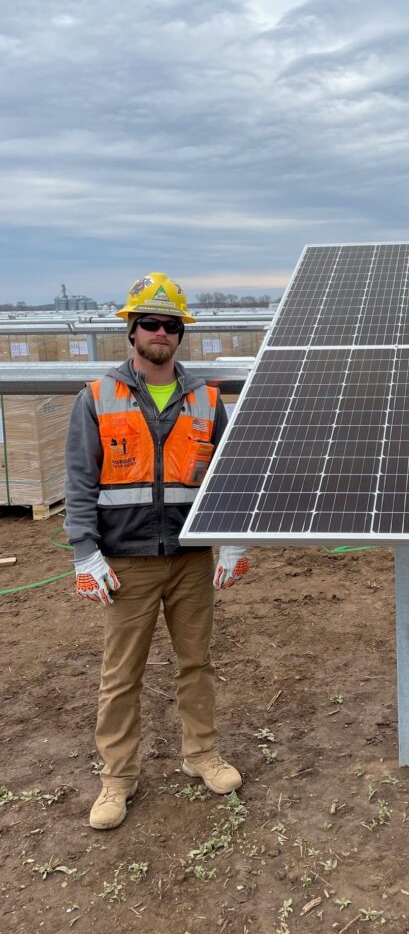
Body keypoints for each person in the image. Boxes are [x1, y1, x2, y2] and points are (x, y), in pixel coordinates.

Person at [64, 272, 251, 831]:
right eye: (151, 322)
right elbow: (78, 482)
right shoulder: (97, 398)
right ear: (132, 328)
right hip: (126, 563)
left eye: (172, 325)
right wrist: (83, 552)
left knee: (196, 663)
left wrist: (232, 538)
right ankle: (117, 779)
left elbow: (228, 476)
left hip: (191, 559)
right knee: (121, 674)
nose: (162, 333)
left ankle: (202, 756)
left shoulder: (205, 399)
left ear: (180, 334)